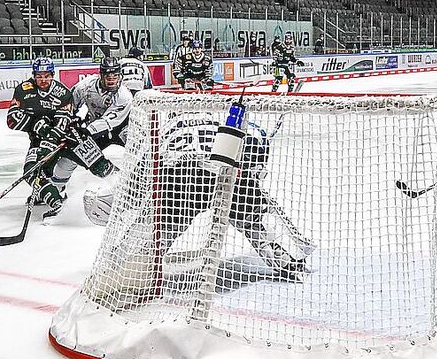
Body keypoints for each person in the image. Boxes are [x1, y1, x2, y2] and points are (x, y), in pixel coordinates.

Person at [84, 113, 313, 281]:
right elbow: (256, 142)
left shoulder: (164, 128)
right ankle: (287, 259)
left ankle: (125, 268)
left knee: (157, 235)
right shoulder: (218, 120)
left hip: (180, 182)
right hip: (224, 174)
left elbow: (141, 179)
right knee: (253, 220)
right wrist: (252, 173)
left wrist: (123, 203)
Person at [6, 57, 113, 220]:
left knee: (98, 163)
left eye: (47, 75)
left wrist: (49, 136)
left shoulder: (62, 92)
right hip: (39, 140)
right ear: (33, 75)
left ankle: (128, 190)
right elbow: (12, 119)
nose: (43, 79)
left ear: (53, 74)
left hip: (71, 137)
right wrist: (37, 126)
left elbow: (63, 121)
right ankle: (57, 203)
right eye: (39, 75)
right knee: (31, 171)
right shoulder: (23, 90)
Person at [72, 57, 135, 149]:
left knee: (123, 152)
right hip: (93, 124)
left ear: (120, 76)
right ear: (101, 76)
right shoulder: (86, 85)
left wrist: (87, 131)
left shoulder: (124, 96)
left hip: (118, 126)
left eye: (115, 76)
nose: (112, 81)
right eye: (108, 77)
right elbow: (71, 102)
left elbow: (107, 121)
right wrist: (70, 120)